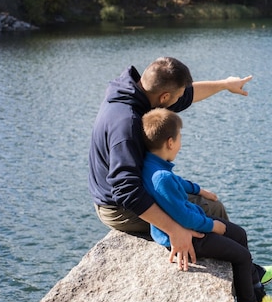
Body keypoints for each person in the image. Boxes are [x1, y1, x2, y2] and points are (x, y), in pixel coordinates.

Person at [89, 56, 250, 270]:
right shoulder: (127, 123)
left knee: (199, 201)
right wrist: (175, 230)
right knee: (211, 208)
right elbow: (126, 191)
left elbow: (187, 95)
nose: (181, 100)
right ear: (164, 97)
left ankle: (246, 269)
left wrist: (224, 85)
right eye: (177, 97)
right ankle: (241, 272)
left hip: (133, 191)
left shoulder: (137, 93)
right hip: (118, 208)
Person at [141, 108, 272, 302]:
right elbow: (184, 218)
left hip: (191, 223)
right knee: (242, 256)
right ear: (170, 142)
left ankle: (253, 285)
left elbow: (177, 182)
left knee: (239, 233)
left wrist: (199, 190)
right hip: (189, 235)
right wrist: (213, 226)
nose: (181, 142)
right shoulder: (161, 177)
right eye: (180, 137)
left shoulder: (151, 164)